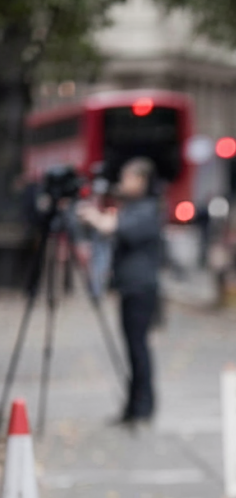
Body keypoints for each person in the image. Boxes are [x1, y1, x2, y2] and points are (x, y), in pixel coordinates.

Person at [78, 158, 162, 424]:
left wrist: (94, 216)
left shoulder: (148, 208)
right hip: (130, 287)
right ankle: (134, 405)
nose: (122, 183)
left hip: (141, 288)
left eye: (127, 177)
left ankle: (143, 406)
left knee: (138, 347)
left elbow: (115, 228)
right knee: (133, 347)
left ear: (141, 180)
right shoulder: (133, 206)